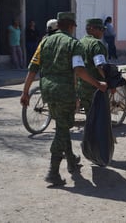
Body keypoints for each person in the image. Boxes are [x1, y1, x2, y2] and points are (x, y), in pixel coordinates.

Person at [20, 12, 107, 186]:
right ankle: (53, 172)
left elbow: (32, 68)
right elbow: (80, 71)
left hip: (47, 91)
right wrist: (99, 84)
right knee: (61, 129)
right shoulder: (73, 44)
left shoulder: (44, 41)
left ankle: (72, 160)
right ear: (72, 26)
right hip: (64, 92)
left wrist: (25, 92)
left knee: (62, 125)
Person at [77, 18, 108, 115]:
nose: (103, 32)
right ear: (92, 29)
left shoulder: (80, 42)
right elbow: (100, 66)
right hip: (94, 87)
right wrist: (109, 81)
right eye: (101, 29)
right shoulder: (96, 44)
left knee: (89, 114)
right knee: (97, 116)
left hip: (81, 86)